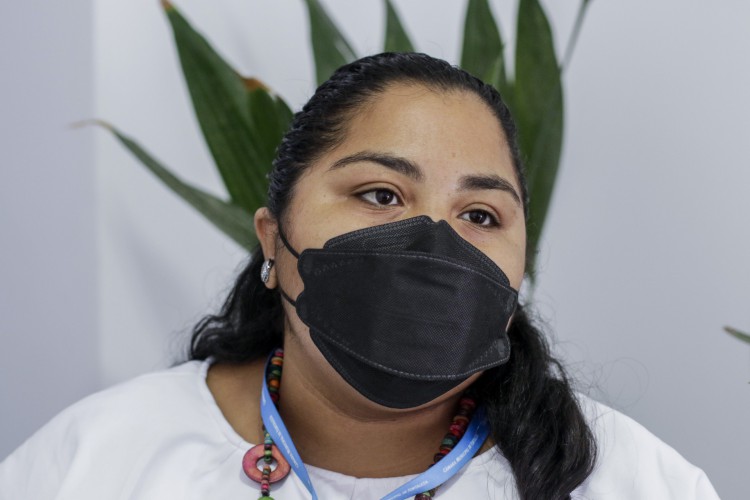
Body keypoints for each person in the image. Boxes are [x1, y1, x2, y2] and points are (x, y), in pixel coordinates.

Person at [0, 52, 719, 500]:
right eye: (381, 195)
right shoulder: (97, 460)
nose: (435, 244)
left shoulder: (633, 479)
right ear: (274, 241)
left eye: (480, 215)